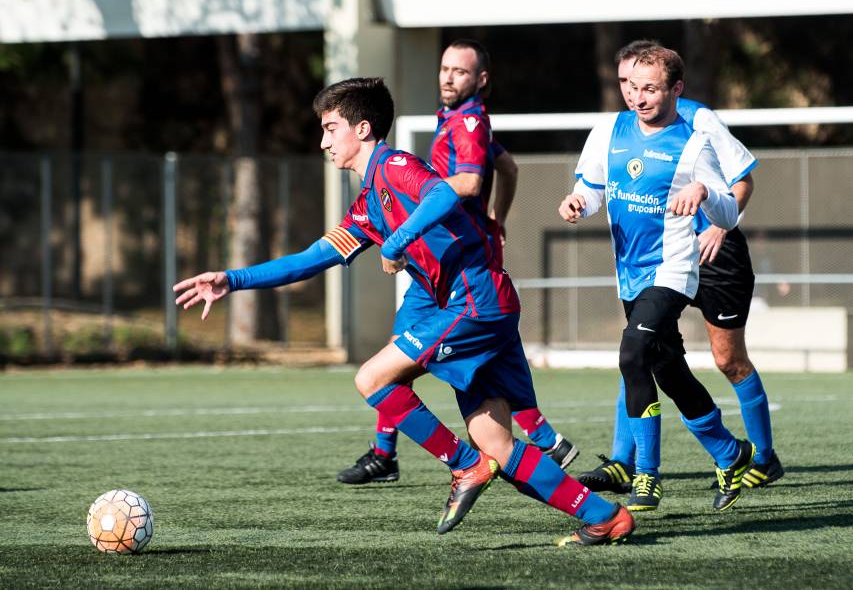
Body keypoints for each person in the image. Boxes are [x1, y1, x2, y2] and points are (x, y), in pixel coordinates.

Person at [175, 77, 634, 545]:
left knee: (372, 378)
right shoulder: (367, 207)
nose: (323, 141)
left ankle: (463, 465)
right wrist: (231, 280)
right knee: (498, 444)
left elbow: (442, 193)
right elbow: (309, 260)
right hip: (484, 306)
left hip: (475, 301)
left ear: (363, 128)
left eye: (331, 128)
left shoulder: (394, 165)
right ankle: (605, 516)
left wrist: (395, 242)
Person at [337, 40, 578, 486]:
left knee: (398, 361)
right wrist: (497, 219)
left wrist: (415, 207)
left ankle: (395, 455)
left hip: (453, 259)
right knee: (480, 362)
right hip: (446, 260)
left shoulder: (468, 121)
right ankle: (547, 443)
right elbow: (508, 170)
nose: (448, 77)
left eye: (460, 72)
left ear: (480, 81)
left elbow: (466, 182)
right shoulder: (459, 121)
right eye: (445, 69)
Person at [578, 40, 783, 499]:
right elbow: (594, 187)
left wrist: (717, 228)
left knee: (724, 358)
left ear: (669, 85)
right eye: (627, 83)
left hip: (708, 253)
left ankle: (762, 460)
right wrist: (581, 200)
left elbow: (741, 180)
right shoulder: (617, 129)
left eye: (645, 84)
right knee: (648, 356)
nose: (635, 94)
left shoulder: (698, 122)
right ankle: (626, 462)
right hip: (647, 262)